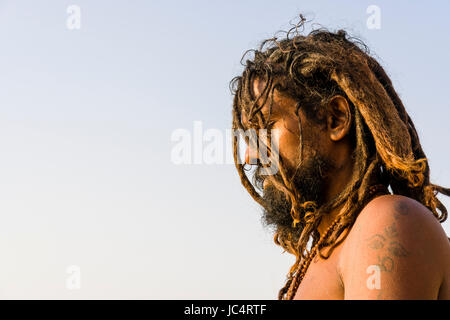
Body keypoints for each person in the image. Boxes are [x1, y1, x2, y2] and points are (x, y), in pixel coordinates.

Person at [230, 17, 450, 300]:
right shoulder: (327, 249)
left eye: (266, 127)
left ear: (336, 119)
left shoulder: (385, 223)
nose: (250, 154)